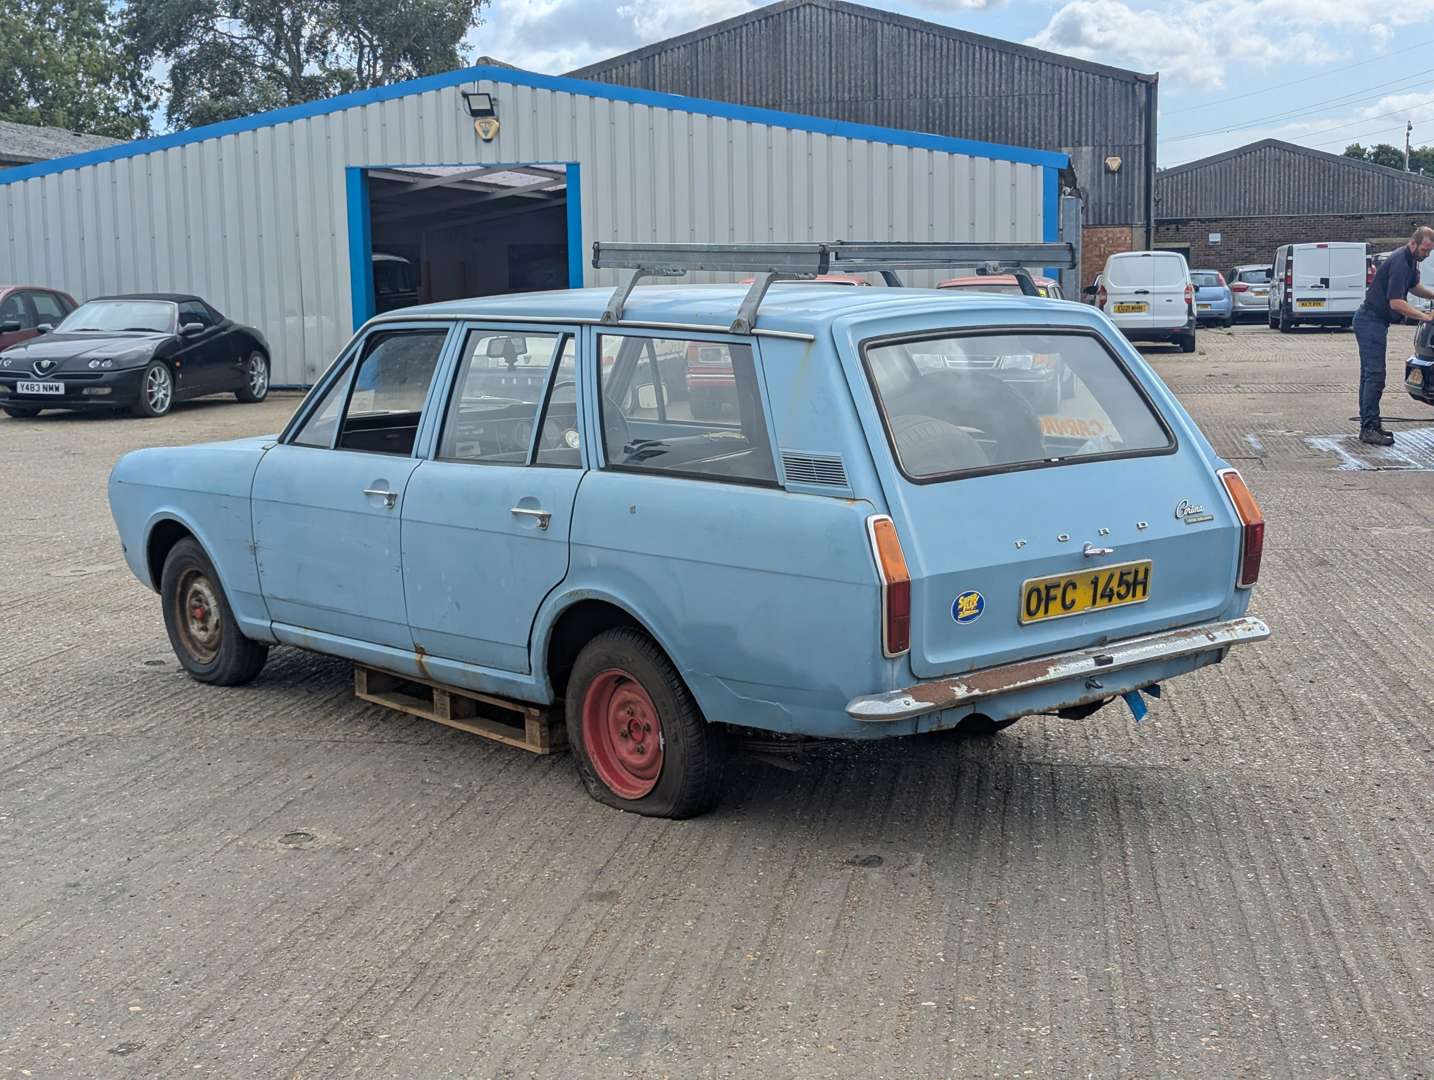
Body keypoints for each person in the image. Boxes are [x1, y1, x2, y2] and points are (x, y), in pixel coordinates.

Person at [1353, 226, 1434, 445]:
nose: (1426, 255)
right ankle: (1369, 427)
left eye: (1430, 252)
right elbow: (1396, 302)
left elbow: (1414, 287)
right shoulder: (1400, 261)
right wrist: (1424, 317)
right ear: (1413, 243)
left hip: (1374, 321)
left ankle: (1369, 424)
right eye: (1425, 250)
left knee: (1369, 375)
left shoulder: (1411, 261)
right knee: (1375, 375)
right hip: (1371, 320)